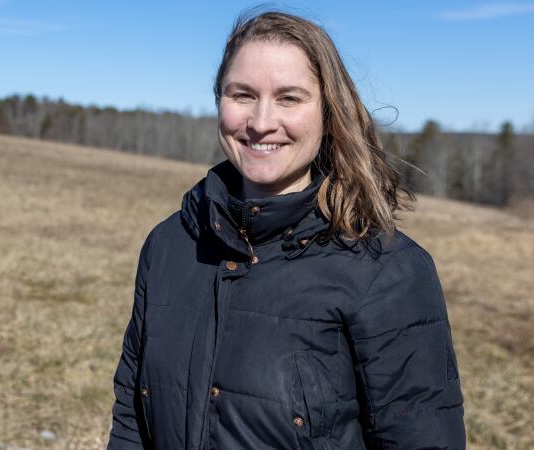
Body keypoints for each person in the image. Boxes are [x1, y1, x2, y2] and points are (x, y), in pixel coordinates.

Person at [107, 9, 465, 450]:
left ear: (328, 112)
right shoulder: (170, 244)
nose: (260, 122)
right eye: (242, 94)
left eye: (289, 98)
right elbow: (131, 418)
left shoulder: (387, 271)